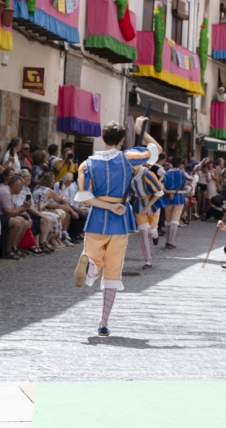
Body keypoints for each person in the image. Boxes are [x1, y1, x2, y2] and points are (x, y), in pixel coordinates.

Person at [72, 118, 159, 336]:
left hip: (97, 217)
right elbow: (157, 149)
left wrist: (107, 206)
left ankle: (90, 267)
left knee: (94, 256)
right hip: (120, 218)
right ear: (121, 140)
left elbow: (83, 197)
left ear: (103, 138)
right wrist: (140, 129)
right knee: (113, 269)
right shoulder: (128, 158)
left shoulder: (87, 164)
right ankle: (103, 322)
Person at [131, 154, 165, 270]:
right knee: (143, 232)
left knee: (151, 231)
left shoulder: (147, 174)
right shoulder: (127, 175)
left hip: (152, 203)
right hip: (138, 204)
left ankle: (155, 233)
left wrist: (148, 206)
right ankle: (148, 260)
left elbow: (159, 192)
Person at [161, 158, 192, 248]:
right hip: (179, 198)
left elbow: (160, 184)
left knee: (168, 221)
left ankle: (167, 241)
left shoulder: (165, 173)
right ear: (180, 164)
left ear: (171, 164)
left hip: (168, 198)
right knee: (175, 220)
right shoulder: (183, 173)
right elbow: (192, 179)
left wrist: (168, 193)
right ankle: (170, 242)